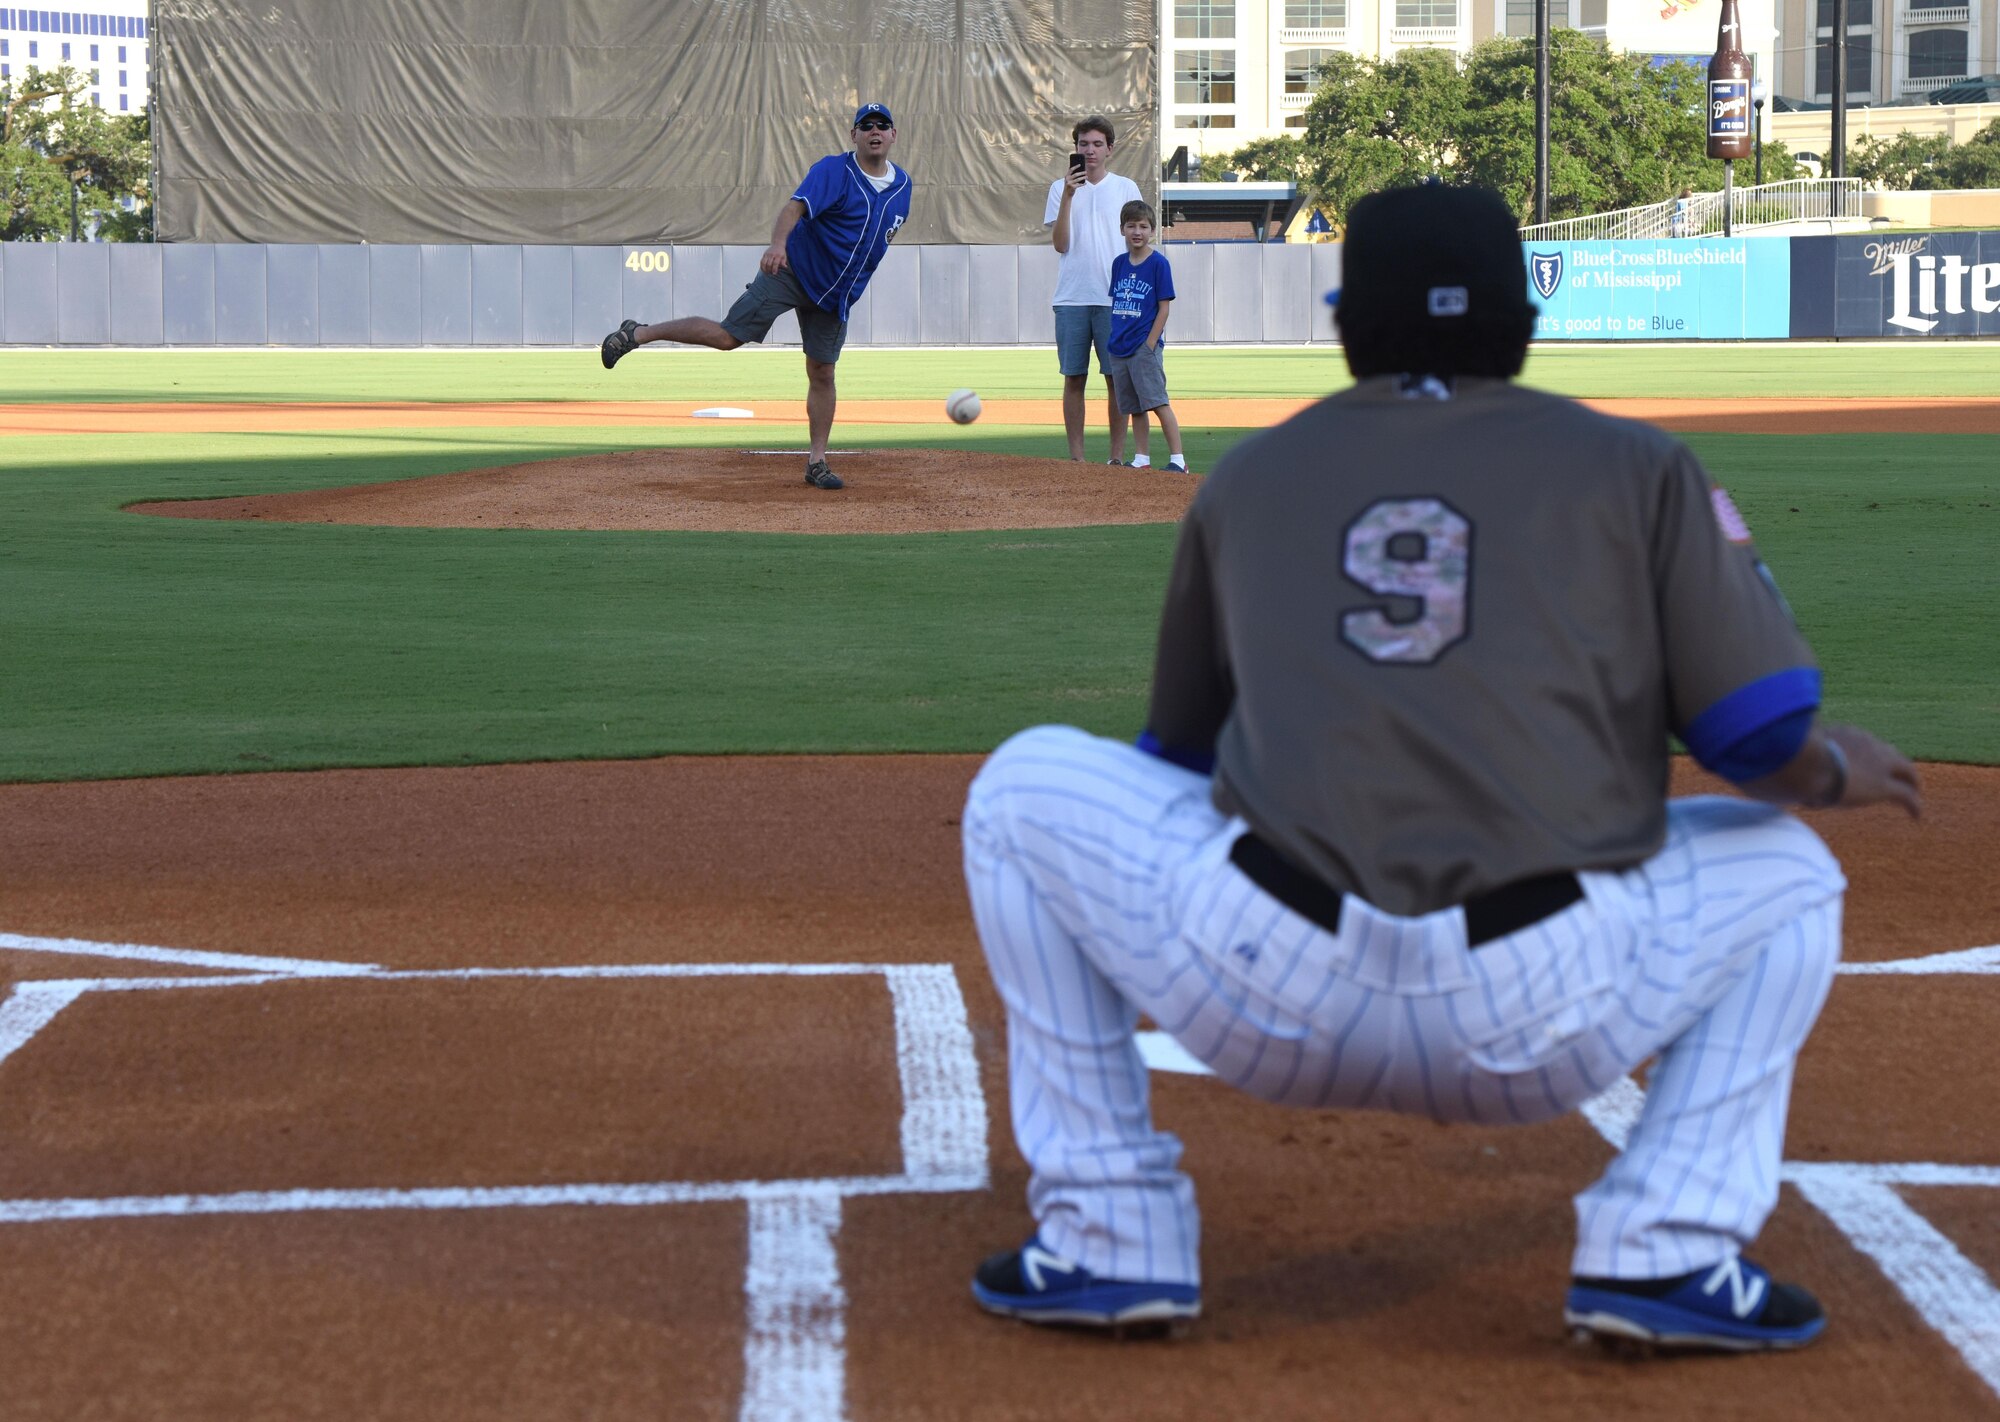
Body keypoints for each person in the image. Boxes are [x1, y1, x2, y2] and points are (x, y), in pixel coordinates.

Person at [960, 182, 1921, 1352]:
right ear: (1518, 321)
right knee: (1789, 871)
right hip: (1541, 1011)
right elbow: (1757, 744)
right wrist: (1834, 771)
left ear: (1347, 323)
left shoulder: (1254, 474)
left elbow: (1175, 760)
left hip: (1265, 988)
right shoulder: (1636, 466)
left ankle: (1107, 1236)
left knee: (1021, 792)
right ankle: (1664, 1254)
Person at [598, 103, 913, 491]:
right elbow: (794, 208)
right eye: (866, 125)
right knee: (728, 337)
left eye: (883, 125)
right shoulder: (834, 170)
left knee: (823, 371)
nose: (875, 130)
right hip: (792, 271)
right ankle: (638, 333)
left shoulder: (903, 187)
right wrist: (777, 245)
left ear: (894, 135)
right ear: (854, 135)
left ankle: (817, 462)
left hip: (835, 296)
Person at [1046, 116, 1142, 465]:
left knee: (1116, 379)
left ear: (1110, 149)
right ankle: (1077, 458)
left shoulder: (1126, 188)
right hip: (1071, 296)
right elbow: (1060, 244)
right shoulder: (1060, 188)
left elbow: (1139, 240)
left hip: (1114, 298)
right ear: (1075, 148)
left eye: (1097, 144)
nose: (1089, 151)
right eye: (1083, 144)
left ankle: (1116, 458)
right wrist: (1069, 195)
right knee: (1074, 377)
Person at [1104, 200, 1188, 474]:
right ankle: (1141, 457)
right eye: (1131, 226)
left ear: (1152, 231)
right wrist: (1115, 339)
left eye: (1143, 226)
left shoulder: (1158, 264)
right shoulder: (1119, 264)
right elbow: (1117, 303)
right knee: (1135, 406)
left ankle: (1178, 459)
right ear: (1122, 229)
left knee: (1158, 402)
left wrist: (1150, 343)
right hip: (1120, 346)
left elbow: (1164, 307)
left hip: (1143, 345)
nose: (1137, 231)